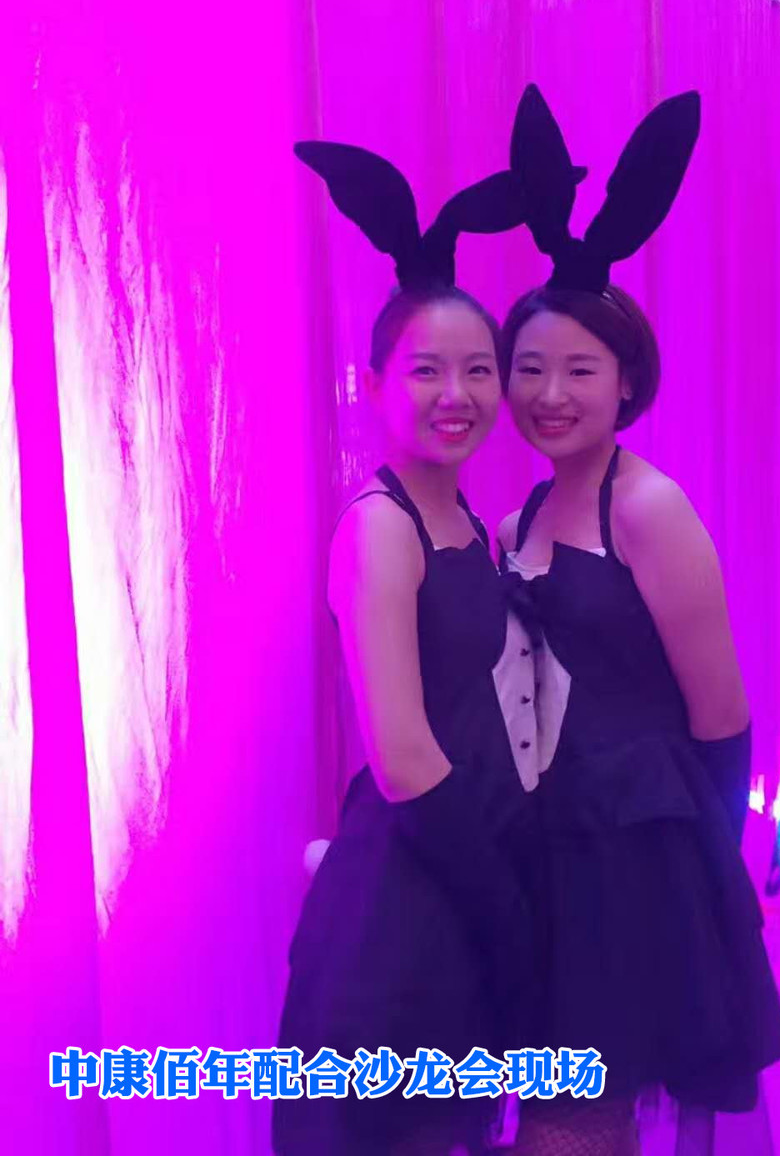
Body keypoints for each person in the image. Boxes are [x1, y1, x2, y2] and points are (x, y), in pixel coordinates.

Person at [497, 86, 780, 1155]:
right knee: (568, 1098)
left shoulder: (649, 508)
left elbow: (721, 714)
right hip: (548, 842)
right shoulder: (522, 513)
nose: (551, 392)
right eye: (529, 368)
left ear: (627, 383)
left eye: (579, 369)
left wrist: (716, 875)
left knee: (584, 1106)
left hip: (639, 854)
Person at [274, 138, 540, 1156]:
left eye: (478, 370)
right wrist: (508, 912)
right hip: (403, 903)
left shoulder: (471, 522)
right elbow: (404, 757)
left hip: (458, 873)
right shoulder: (379, 526)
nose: (455, 393)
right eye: (426, 370)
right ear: (374, 381)